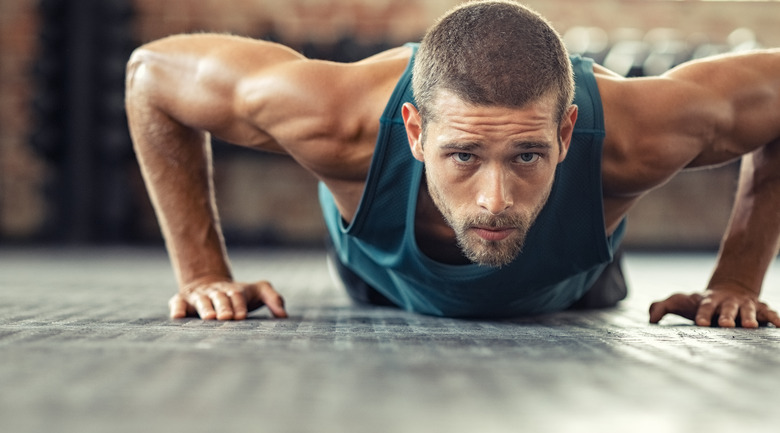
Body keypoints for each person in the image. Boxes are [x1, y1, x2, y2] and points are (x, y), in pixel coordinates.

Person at [126, 0, 780, 327]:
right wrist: (203, 273)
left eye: (527, 154)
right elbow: (151, 75)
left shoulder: (638, 134)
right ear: (414, 130)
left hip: (573, 287)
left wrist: (739, 280)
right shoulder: (335, 119)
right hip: (382, 282)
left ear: (567, 129)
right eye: (463, 154)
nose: (496, 197)